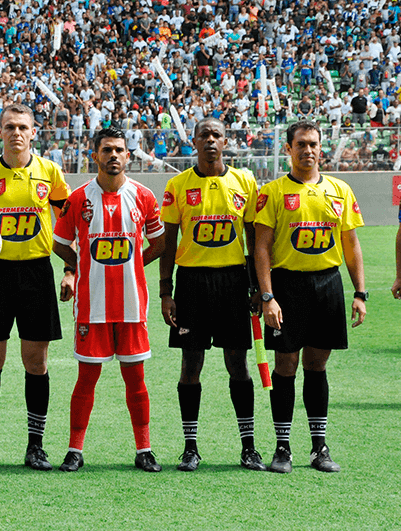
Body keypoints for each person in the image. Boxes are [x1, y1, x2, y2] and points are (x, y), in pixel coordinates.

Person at [0, 103, 70, 471]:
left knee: (36, 362)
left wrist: (70, 268)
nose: (16, 133)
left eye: (22, 127)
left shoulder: (50, 172)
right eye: (9, 127)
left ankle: (35, 446)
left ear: (34, 131)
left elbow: (67, 220)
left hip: (37, 273)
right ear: (0, 131)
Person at [255, 120, 366, 473]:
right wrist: (267, 296)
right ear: (288, 149)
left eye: (313, 144)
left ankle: (319, 448)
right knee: (285, 366)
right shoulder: (272, 192)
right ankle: (282, 447)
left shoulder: (340, 190)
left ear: (321, 148)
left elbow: (351, 245)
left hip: (328, 285)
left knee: (317, 365)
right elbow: (261, 247)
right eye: (301, 144)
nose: (308, 150)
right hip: (287, 287)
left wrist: (360, 293)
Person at [52, 127, 165, 472]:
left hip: (132, 305)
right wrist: (75, 268)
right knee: (86, 379)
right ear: (95, 155)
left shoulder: (144, 196)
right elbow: (59, 242)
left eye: (119, 150)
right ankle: (75, 450)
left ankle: (144, 449)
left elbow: (159, 243)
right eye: (107, 150)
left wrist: (135, 265)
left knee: (136, 379)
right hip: (91, 305)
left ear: (127, 156)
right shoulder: (77, 199)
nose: (113, 155)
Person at [159, 117, 266, 472]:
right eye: (203, 135)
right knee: (191, 365)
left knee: (238, 364)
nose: (210, 140)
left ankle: (248, 447)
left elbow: (253, 238)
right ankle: (190, 447)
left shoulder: (245, 181)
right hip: (191, 283)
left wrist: (257, 287)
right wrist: (165, 291)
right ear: (194, 141)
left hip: (234, 283)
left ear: (226, 141)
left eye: (216, 135)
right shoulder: (178, 184)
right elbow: (168, 242)